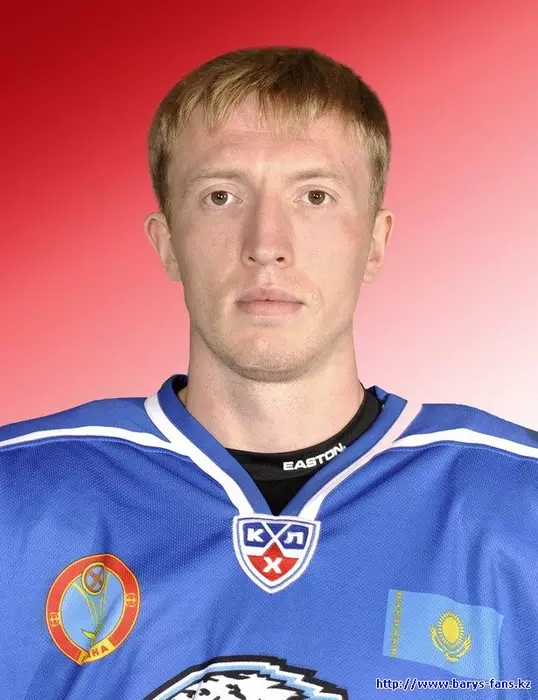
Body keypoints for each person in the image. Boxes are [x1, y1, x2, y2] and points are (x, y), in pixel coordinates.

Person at [0, 46, 536, 700]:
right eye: (221, 196)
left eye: (314, 196)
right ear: (167, 243)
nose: (266, 244)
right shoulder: (18, 500)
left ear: (375, 242)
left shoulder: (517, 505)